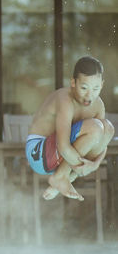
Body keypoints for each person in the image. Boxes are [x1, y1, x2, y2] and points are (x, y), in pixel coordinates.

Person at [26, 56, 115, 201]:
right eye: (84, 88)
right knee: (95, 127)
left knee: (108, 128)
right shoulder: (65, 99)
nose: (89, 95)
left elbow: (102, 143)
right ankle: (61, 177)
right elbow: (63, 146)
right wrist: (84, 167)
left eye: (95, 88)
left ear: (102, 85)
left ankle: (62, 178)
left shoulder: (98, 105)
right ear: (73, 82)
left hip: (63, 157)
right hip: (38, 154)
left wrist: (94, 165)